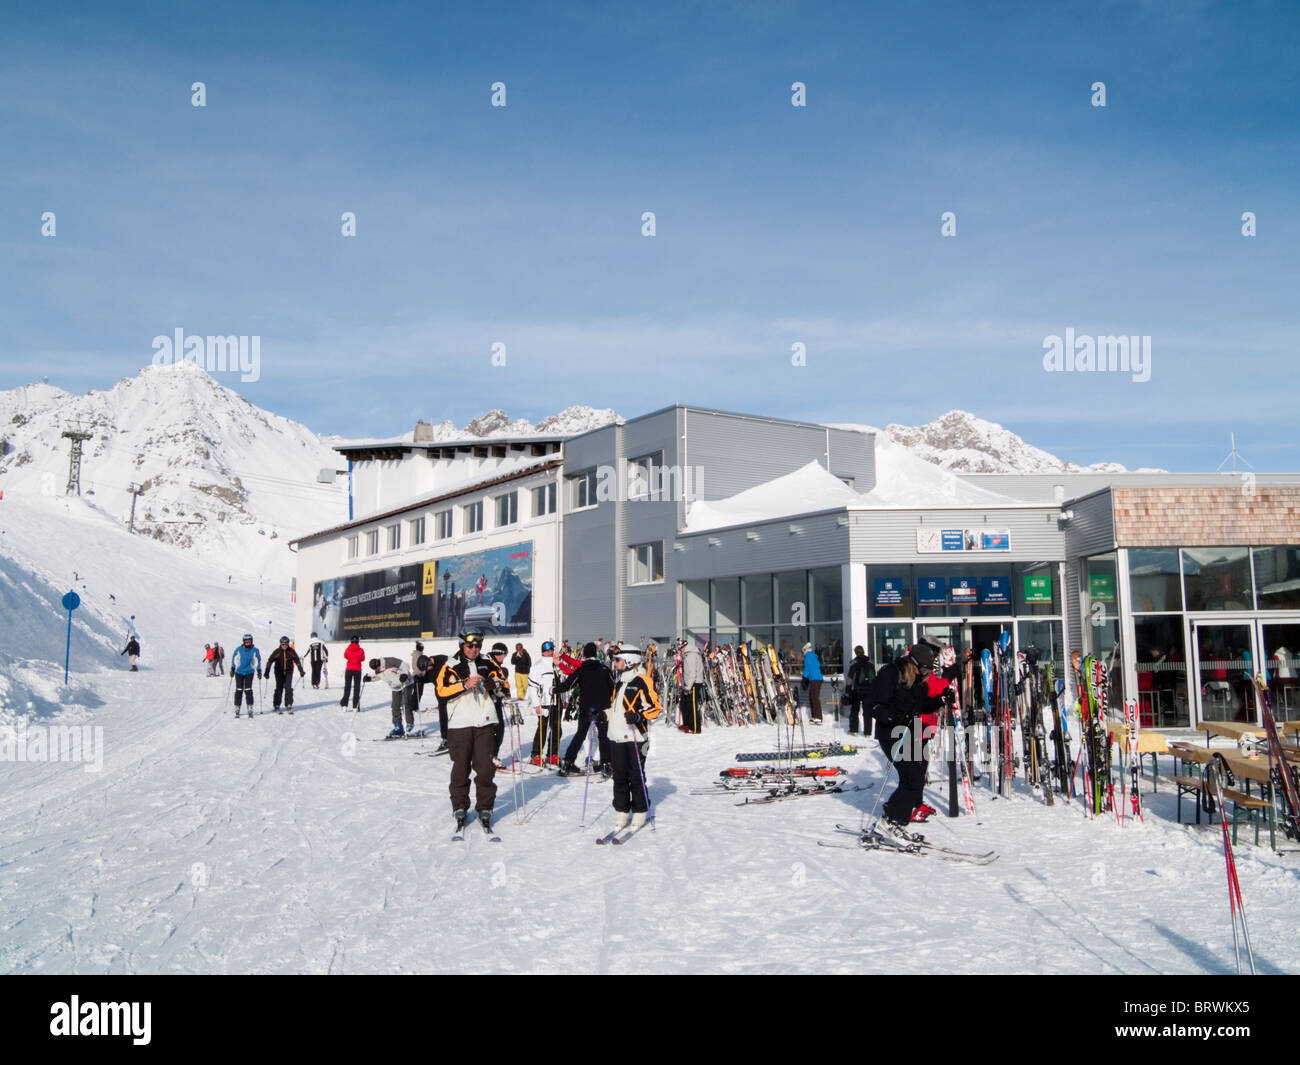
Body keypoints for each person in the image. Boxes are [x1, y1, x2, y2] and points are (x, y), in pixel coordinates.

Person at [867, 643, 949, 834]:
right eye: (924, 668)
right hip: (891, 733)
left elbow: (922, 706)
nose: (925, 673)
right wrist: (889, 716)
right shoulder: (891, 673)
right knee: (913, 778)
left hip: (908, 732)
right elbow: (872, 704)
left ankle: (897, 821)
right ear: (913, 663)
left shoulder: (918, 680)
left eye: (929, 669)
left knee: (915, 778)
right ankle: (889, 821)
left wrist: (940, 699)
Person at [434, 632, 499, 834]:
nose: (474, 649)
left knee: (486, 767)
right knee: (461, 768)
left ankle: (485, 807)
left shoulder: (488, 663)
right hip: (460, 724)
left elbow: (503, 686)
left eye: (477, 646)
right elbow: (441, 691)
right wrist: (464, 685)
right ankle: (460, 806)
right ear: (463, 646)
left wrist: (493, 684)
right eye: (470, 646)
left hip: (485, 722)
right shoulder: (451, 665)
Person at [605, 647, 663, 834]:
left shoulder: (642, 681)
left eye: (618, 659)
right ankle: (622, 812)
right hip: (617, 736)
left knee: (636, 775)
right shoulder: (620, 681)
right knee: (619, 776)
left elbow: (655, 708)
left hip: (637, 737)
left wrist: (638, 716)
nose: (615, 663)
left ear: (629, 660)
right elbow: (617, 709)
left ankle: (640, 812)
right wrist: (603, 714)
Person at [557, 642, 615, 776]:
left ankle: (568, 762)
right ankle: (606, 763)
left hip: (586, 707)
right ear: (595, 654)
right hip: (602, 708)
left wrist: (553, 689)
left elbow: (568, 684)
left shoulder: (581, 670)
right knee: (603, 735)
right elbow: (614, 688)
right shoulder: (604, 669)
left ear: (584, 655)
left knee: (580, 734)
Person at [529, 640, 562, 765]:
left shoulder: (557, 665)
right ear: (542, 652)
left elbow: (562, 682)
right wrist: (536, 704)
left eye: (551, 650)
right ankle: (536, 754)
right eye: (547, 650)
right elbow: (532, 686)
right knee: (542, 729)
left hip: (556, 701)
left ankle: (552, 754)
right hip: (544, 701)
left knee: (557, 729)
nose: (550, 652)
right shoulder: (537, 666)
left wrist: (563, 699)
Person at [368, 656, 417, 737]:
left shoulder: (389, 661)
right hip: (395, 687)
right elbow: (378, 676)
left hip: (405, 683)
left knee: (406, 704)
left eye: (377, 668)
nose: (377, 670)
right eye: (375, 669)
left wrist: (404, 674)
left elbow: (405, 665)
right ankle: (398, 727)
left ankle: (409, 724)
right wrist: (369, 678)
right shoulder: (378, 670)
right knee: (395, 706)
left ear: (378, 664)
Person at [263, 636, 306, 714]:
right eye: (283, 644)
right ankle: (276, 705)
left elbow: (297, 661)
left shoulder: (291, 651)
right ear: (280, 644)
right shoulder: (277, 651)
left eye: (286, 644)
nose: (284, 646)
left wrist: (301, 671)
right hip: (279, 672)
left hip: (289, 672)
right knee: (279, 688)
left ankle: (288, 704)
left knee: (288, 688)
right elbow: (270, 661)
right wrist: (267, 672)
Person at [486, 642, 512, 767]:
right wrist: (500, 690)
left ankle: (490, 756)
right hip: (490, 703)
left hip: (494, 701)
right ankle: (491, 757)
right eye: (504, 655)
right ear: (500, 653)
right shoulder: (490, 664)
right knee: (497, 730)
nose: (504, 657)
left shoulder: (495, 664)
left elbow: (502, 682)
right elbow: (489, 683)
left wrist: (505, 691)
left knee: (496, 730)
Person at [846, 645, 875, 735]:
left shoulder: (854, 663)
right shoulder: (870, 662)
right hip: (869, 690)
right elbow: (874, 677)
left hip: (857, 690)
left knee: (855, 710)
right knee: (867, 711)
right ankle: (868, 732)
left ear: (855, 652)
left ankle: (854, 730)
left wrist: (847, 691)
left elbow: (850, 679)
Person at [231, 634, 262, 718]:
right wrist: (233, 668)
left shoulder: (255, 650)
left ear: (251, 641)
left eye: (249, 641)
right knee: (239, 690)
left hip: (249, 672)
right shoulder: (239, 649)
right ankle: (237, 707)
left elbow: (257, 661)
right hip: (239, 672)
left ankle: (250, 707)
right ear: (243, 642)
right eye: (246, 641)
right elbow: (234, 659)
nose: (247, 642)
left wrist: (259, 670)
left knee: (248, 690)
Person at [678, 640, 706, 733]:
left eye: (680, 649)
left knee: (692, 705)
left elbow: (692, 673)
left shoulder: (691, 655)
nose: (680, 651)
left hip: (694, 683)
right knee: (684, 704)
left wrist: (688, 687)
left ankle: (695, 728)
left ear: (684, 647)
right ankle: (687, 724)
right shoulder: (687, 655)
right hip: (688, 683)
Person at [340, 636, 365, 709]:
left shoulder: (348, 649)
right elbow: (362, 658)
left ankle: (344, 705)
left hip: (349, 670)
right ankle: (355, 706)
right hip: (357, 670)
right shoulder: (361, 650)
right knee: (357, 688)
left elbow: (345, 656)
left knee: (347, 687)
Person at [802, 642, 824, 723]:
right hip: (816, 679)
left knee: (814, 697)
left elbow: (807, 669)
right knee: (812, 697)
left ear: (805, 650)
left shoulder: (808, 656)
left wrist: (804, 679)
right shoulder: (813, 656)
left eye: (803, 651)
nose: (803, 653)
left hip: (816, 679)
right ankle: (814, 716)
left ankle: (818, 717)